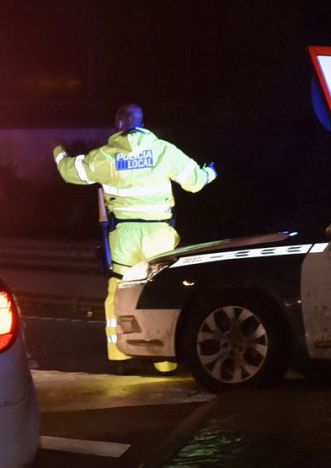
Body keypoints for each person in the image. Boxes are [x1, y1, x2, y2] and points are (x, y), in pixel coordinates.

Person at [53, 104, 216, 373]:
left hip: (124, 237)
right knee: (161, 291)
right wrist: (211, 172)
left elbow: (69, 172)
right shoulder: (164, 151)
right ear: (142, 122)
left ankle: (119, 356)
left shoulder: (105, 156)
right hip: (159, 236)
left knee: (118, 292)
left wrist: (58, 152)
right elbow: (195, 182)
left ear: (118, 124)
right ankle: (164, 360)